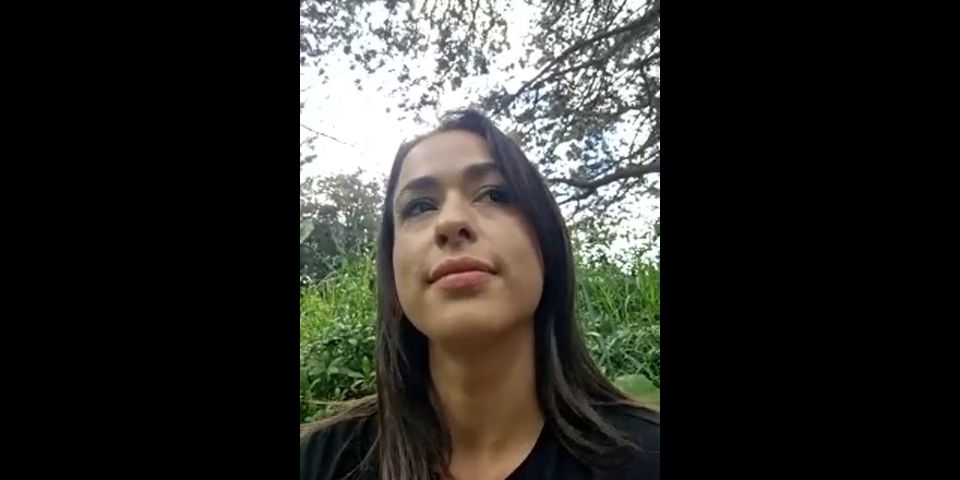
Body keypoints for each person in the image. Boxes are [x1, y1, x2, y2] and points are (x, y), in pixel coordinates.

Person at [300, 110, 659, 480]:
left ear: (546, 243)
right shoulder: (321, 462)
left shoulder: (647, 458)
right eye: (420, 206)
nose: (451, 221)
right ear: (392, 267)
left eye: (493, 194)